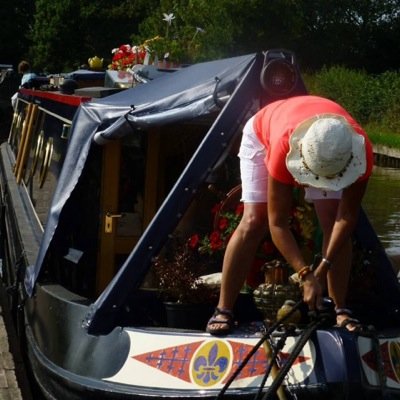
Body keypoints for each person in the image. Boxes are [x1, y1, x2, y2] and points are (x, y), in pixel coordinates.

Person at [206, 95, 373, 336]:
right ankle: (223, 309)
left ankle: (340, 309)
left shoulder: (359, 149)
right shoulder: (284, 145)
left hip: (328, 152)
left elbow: (346, 218)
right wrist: (306, 275)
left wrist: (322, 270)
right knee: (255, 221)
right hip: (268, 134)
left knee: (330, 219)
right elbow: (278, 223)